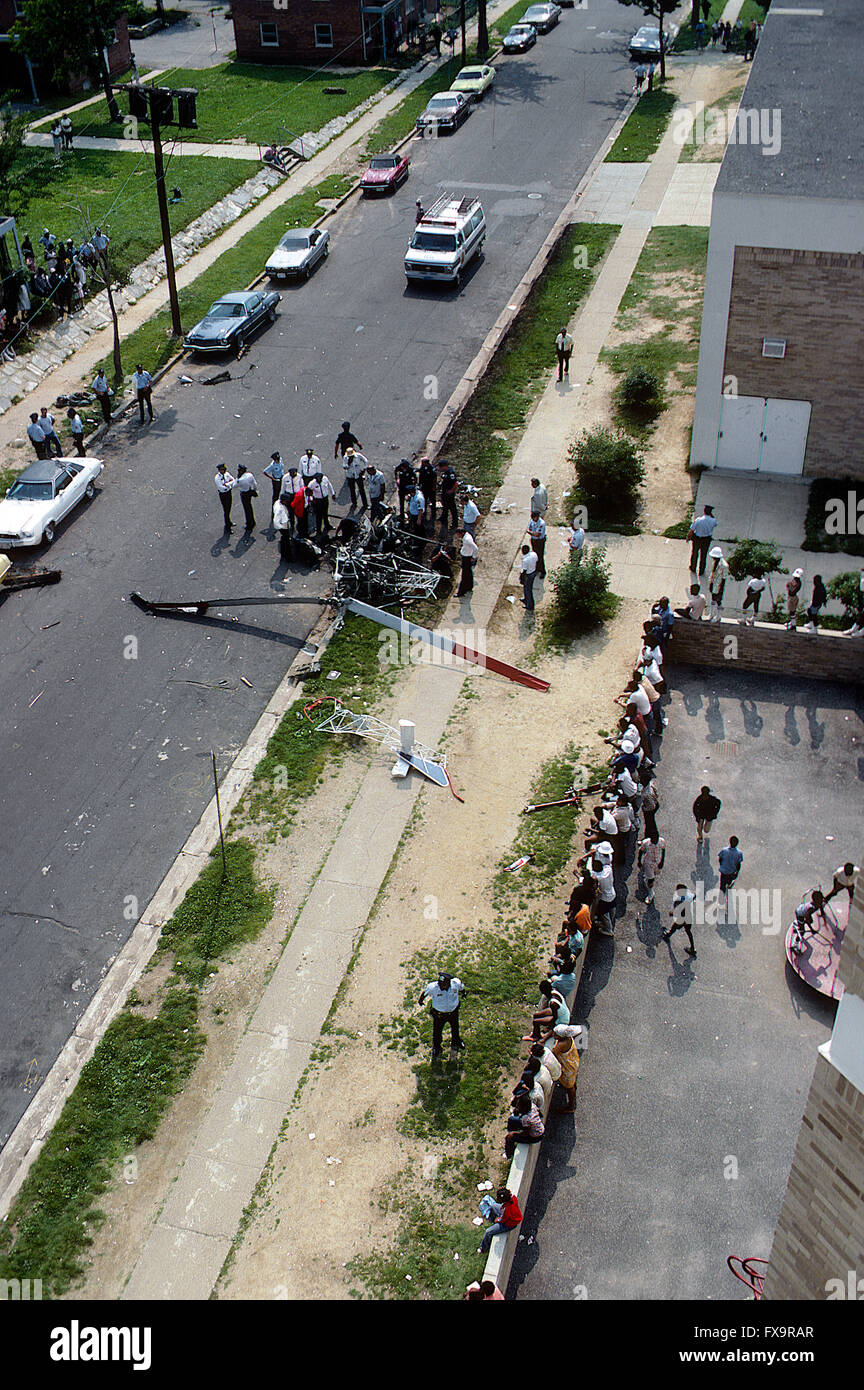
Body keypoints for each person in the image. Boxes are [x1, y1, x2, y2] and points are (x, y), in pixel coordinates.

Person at [418, 970, 466, 1057]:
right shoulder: (433, 987)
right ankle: (437, 1046)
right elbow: (424, 994)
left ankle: (456, 1041)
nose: (440, 986)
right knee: (437, 1031)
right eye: (439, 983)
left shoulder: (456, 983)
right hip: (439, 1014)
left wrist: (464, 993)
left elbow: (462, 988)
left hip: (453, 1012)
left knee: (455, 1027)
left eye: (443, 984)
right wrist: (420, 1001)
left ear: (449, 983)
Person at [478, 1187, 521, 1254]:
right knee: (493, 1205)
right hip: (510, 1216)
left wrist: (497, 1220)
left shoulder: (507, 1210)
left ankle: (483, 1248)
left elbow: (502, 1220)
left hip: (509, 1224)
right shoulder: (513, 1198)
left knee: (488, 1232)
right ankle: (489, 1213)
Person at [503, 1092, 545, 1161]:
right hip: (539, 1130)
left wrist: (516, 1134)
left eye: (519, 1105)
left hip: (535, 1137)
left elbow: (526, 1132)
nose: (517, 1106)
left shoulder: (526, 1118)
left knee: (509, 1137)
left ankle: (508, 1155)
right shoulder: (533, 1106)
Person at [551, 1024, 581, 1113]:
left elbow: (553, 1054)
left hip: (568, 1069)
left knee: (569, 1087)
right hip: (573, 1063)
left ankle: (571, 1107)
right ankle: (573, 1086)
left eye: (555, 1034)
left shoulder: (561, 1045)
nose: (553, 1035)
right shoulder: (568, 1038)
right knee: (572, 1082)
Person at [663, 884, 697, 956]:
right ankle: (693, 949)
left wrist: (673, 913)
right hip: (689, 918)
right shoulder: (688, 894)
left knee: (675, 926)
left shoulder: (681, 900)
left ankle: (668, 935)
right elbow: (694, 896)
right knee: (688, 931)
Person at [687, 504, 717, 576]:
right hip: (706, 540)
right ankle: (701, 571)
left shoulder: (698, 520)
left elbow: (691, 530)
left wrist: (688, 537)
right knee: (703, 555)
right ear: (710, 512)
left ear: (704, 511)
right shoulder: (713, 521)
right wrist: (712, 516)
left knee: (694, 553)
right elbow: (715, 524)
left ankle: (693, 567)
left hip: (697, 539)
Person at [637, 830, 665, 904]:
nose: (655, 841)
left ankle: (647, 879)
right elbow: (641, 851)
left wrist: (662, 861)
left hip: (657, 862)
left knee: (654, 875)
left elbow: (663, 850)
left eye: (656, 839)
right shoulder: (646, 842)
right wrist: (639, 861)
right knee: (651, 880)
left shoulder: (661, 841)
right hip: (648, 863)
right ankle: (650, 894)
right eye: (653, 840)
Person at [308, 471, 335, 537]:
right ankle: (319, 530)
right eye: (318, 479)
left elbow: (329, 485)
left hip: (325, 499)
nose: (319, 480)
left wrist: (333, 493)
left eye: (320, 478)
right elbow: (308, 492)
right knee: (318, 516)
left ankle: (327, 525)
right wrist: (311, 499)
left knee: (325, 513)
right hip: (317, 501)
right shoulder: (312, 483)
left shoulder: (325, 479)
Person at [342, 446, 368, 511]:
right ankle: (354, 503)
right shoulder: (346, 458)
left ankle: (365, 504)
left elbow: (366, 461)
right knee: (352, 490)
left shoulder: (358, 456)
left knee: (361, 489)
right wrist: (349, 463)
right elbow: (344, 466)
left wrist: (364, 469)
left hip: (358, 475)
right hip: (350, 476)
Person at [707, 546, 729, 622]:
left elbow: (724, 578)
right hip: (714, 584)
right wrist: (711, 583)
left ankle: (718, 616)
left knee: (718, 601)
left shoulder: (724, 565)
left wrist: (720, 589)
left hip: (718, 586)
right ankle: (711, 614)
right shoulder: (715, 562)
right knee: (713, 599)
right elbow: (713, 574)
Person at [456, 528, 478, 597]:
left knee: (464, 575)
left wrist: (473, 557)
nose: (458, 536)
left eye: (458, 535)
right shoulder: (467, 536)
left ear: (462, 533)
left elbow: (475, 548)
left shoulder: (467, 539)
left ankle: (461, 592)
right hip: (466, 556)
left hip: (466, 558)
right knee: (469, 573)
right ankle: (469, 587)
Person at [394, 457, 416, 526]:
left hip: (408, 487)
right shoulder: (400, 467)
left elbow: (415, 478)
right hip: (401, 487)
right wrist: (397, 479)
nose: (404, 469)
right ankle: (401, 514)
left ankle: (411, 513)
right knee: (401, 502)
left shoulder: (410, 469)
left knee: (411, 501)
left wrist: (413, 486)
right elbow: (395, 471)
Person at [235, 465, 257, 530]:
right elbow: (255, 483)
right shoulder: (250, 475)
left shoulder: (241, 479)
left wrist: (237, 478)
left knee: (246, 509)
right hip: (249, 491)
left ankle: (249, 524)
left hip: (244, 493)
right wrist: (254, 490)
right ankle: (253, 522)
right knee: (249, 507)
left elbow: (234, 485)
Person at [438, 462, 459, 532]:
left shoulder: (451, 473)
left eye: (441, 467)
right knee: (445, 506)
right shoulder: (445, 473)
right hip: (444, 493)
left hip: (449, 494)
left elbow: (456, 483)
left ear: (444, 466)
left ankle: (455, 523)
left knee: (452, 508)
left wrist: (451, 491)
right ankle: (443, 517)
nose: (440, 469)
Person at [215, 463, 236, 531]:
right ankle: (227, 526)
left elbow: (233, 480)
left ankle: (229, 522)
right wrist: (228, 486)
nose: (223, 471)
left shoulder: (227, 474)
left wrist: (227, 485)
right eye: (221, 470)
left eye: (224, 469)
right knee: (226, 510)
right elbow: (221, 487)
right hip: (223, 494)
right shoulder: (217, 478)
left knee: (229, 507)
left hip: (228, 492)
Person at [520, 543, 538, 612]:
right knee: (526, 588)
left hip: (528, 575)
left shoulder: (525, 560)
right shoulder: (534, 554)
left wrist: (521, 579)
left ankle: (530, 605)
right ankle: (526, 599)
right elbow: (537, 561)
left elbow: (524, 571)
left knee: (528, 590)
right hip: (533, 572)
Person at [418, 457, 436, 523]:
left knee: (432, 501)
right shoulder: (423, 467)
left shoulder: (432, 469)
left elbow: (434, 479)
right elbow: (421, 475)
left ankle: (433, 514)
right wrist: (419, 484)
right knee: (424, 500)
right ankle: (424, 513)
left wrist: (434, 487)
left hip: (430, 487)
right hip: (424, 487)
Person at [527, 512, 546, 576]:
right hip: (533, 540)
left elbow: (537, 534)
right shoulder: (532, 521)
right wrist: (531, 532)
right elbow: (529, 528)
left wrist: (530, 532)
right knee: (535, 556)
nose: (533, 519)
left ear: (537, 517)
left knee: (540, 556)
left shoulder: (541, 523)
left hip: (539, 541)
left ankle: (542, 571)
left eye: (534, 518)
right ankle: (537, 569)